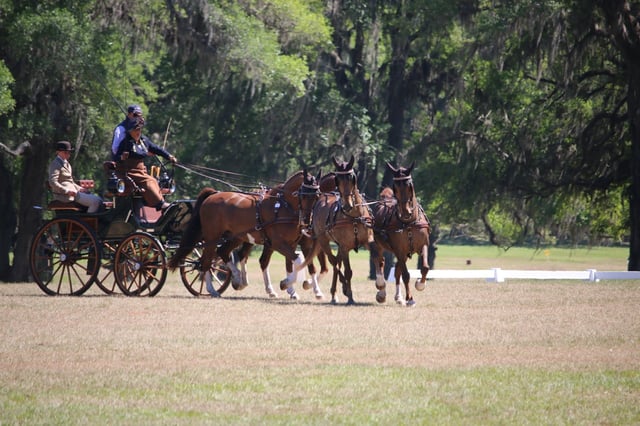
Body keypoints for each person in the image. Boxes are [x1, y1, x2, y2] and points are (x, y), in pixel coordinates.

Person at [114, 116, 177, 211]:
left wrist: (169, 156)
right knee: (148, 182)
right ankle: (160, 204)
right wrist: (122, 157)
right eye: (135, 130)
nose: (138, 132)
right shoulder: (126, 143)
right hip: (128, 171)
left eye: (139, 130)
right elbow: (116, 157)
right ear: (130, 131)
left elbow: (156, 149)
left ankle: (157, 203)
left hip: (140, 171)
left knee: (154, 181)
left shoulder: (144, 140)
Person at [48, 141, 102, 213]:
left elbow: (71, 182)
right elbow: (53, 182)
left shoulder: (67, 164)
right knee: (95, 202)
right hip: (64, 196)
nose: (68, 154)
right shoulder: (56, 164)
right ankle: (87, 222)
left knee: (99, 200)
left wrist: (80, 189)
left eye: (69, 152)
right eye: (65, 152)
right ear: (58, 152)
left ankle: (89, 220)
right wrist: (67, 191)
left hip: (74, 193)